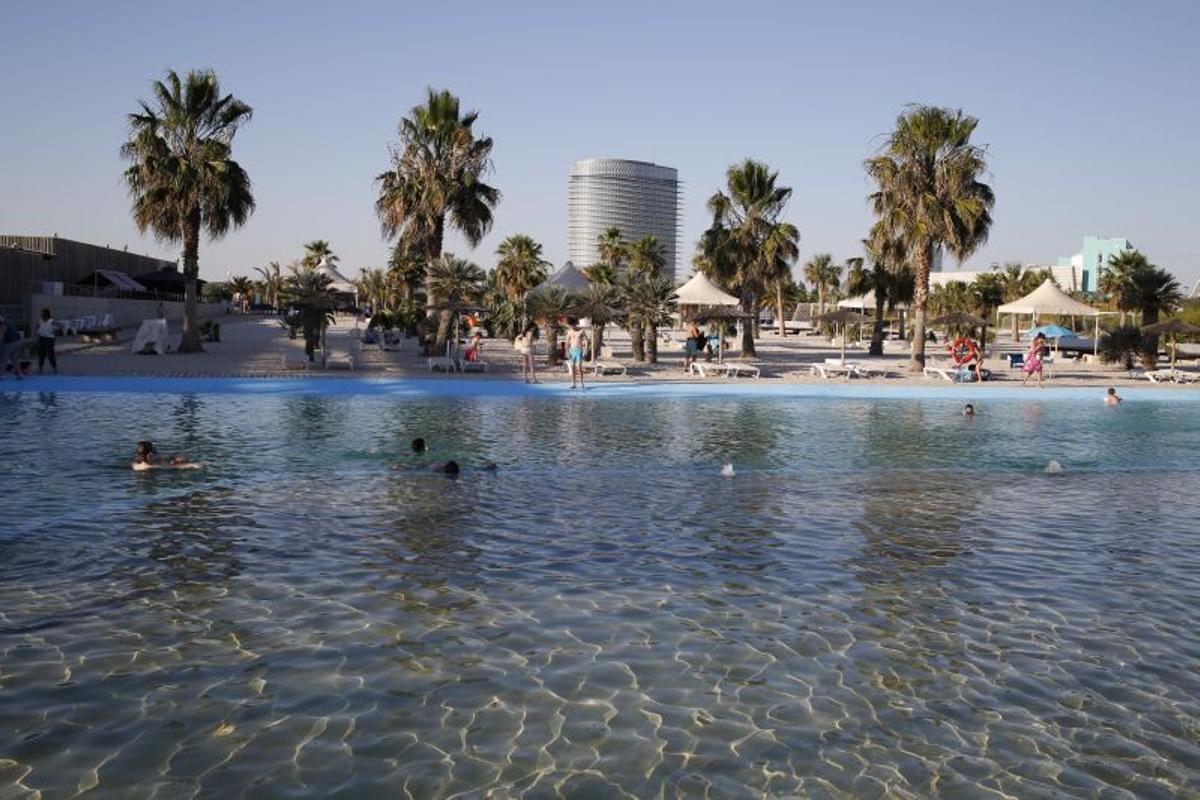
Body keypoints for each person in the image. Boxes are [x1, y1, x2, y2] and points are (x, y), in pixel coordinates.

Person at [131, 440, 200, 470]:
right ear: (150, 454)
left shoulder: (135, 465)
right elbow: (174, 467)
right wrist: (192, 465)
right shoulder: (149, 467)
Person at [565, 321, 588, 389]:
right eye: (571, 325)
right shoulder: (569, 331)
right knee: (572, 367)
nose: (572, 326)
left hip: (579, 350)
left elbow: (586, 340)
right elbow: (567, 342)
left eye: (573, 324)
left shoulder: (581, 331)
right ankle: (573, 383)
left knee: (579, 366)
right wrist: (567, 351)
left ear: (576, 324)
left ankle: (581, 382)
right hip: (572, 350)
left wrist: (586, 349)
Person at [1, 315, 24, 380]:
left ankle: (1, 375)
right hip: (18, 340)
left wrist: (1, 344)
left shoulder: (2, 323)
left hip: (10, 341)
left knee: (3, 358)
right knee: (14, 358)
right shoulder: (6, 320)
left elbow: (1, 334)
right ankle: (19, 374)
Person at [35, 308, 57, 375]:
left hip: (49, 338)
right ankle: (40, 368)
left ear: (46, 314)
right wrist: (38, 331)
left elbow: (57, 327)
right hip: (42, 338)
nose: (41, 315)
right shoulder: (40, 321)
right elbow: (37, 327)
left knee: (51, 354)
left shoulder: (51, 321)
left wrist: (53, 331)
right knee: (41, 354)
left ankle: (54, 368)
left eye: (42, 313)